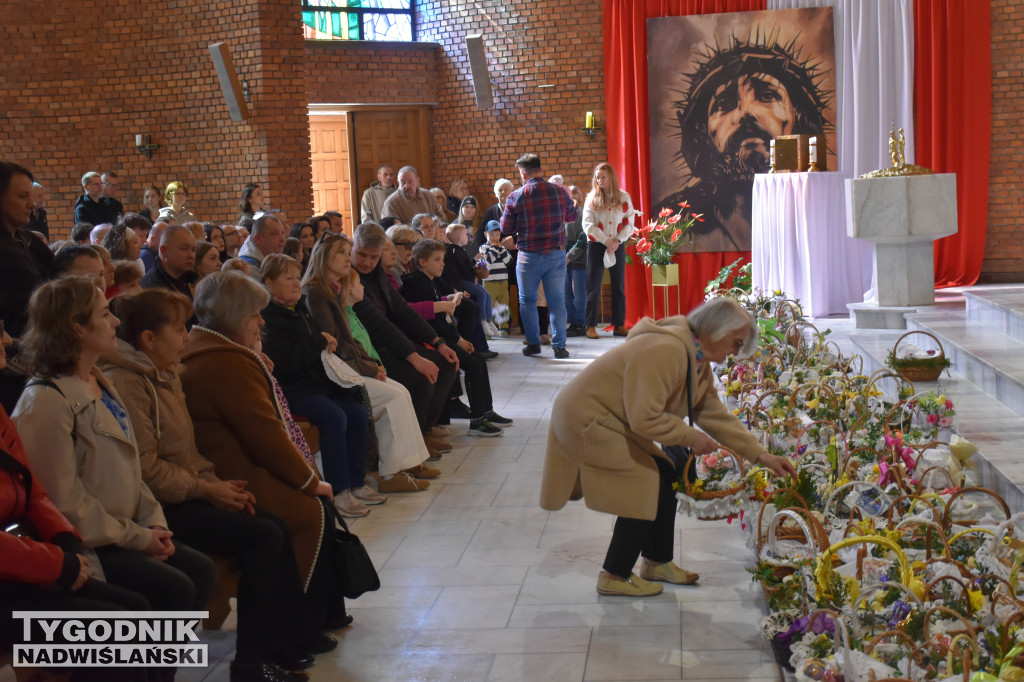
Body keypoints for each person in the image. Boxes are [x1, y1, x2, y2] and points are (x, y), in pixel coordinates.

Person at [102, 289, 326, 681]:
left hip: (186, 490)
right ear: (149, 339)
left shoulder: (165, 374)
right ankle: (252, 663)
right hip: (157, 505)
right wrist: (206, 490)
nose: (188, 337)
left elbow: (188, 453)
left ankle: (281, 641)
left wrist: (215, 483)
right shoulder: (130, 382)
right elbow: (147, 470)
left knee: (271, 523)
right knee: (262, 536)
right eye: (179, 329)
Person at [540, 297, 798, 596]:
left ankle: (656, 562)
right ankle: (613, 575)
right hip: (587, 417)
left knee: (665, 472)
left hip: (610, 417)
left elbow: (713, 413)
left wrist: (761, 455)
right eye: (736, 342)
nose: (735, 353)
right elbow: (644, 417)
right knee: (644, 481)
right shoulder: (668, 350)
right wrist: (690, 436)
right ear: (716, 330)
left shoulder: (695, 356)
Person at [12, 275, 215, 627]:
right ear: (77, 328)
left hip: (125, 528)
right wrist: (139, 538)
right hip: (89, 542)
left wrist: (154, 523)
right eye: (105, 314)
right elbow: (65, 505)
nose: (116, 322)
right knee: (173, 589)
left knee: (199, 571)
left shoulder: (100, 380)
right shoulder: (46, 402)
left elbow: (132, 465)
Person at [181, 271, 352, 641]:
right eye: (255, 315)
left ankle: (322, 614)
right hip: (235, 470)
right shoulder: (225, 361)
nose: (262, 321)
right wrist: (309, 481)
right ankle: (299, 626)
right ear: (233, 317)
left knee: (317, 505)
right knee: (309, 511)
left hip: (238, 461)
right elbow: (265, 436)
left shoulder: (218, 349)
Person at [0, 327, 156, 682]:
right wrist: (56, 565)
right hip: (13, 574)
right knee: (118, 634)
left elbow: (33, 489)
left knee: (137, 612)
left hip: (20, 565)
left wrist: (66, 541)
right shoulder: (46, 398)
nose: (8, 339)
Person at [654, 37, 830, 251]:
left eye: (767, 95)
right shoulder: (675, 217)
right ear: (703, 132)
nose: (747, 113)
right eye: (725, 104)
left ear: (797, 115)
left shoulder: (826, 203)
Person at [301, 237, 436, 490]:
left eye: (345, 251)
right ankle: (390, 474)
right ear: (323, 257)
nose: (346, 257)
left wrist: (371, 363)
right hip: (333, 375)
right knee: (392, 398)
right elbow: (335, 346)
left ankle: (409, 462)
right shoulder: (316, 292)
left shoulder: (330, 289)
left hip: (350, 367)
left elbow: (350, 339)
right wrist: (370, 368)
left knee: (401, 391)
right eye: (340, 252)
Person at [258, 254, 377, 518]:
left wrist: (324, 341)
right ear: (268, 282)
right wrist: (319, 341)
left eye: (295, 277)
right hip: (292, 390)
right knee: (334, 417)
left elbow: (313, 344)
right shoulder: (268, 317)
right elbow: (285, 360)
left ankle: (357, 483)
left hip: (314, 382)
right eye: (287, 278)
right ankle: (339, 492)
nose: (295, 283)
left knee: (356, 411)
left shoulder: (298, 308)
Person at [350, 223, 459, 458]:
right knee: (421, 378)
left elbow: (401, 310)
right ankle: (413, 444)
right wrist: (414, 356)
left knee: (447, 363)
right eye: (362, 255)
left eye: (373, 257)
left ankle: (423, 433)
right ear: (353, 246)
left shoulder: (376, 272)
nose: (367, 262)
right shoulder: (351, 277)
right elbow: (378, 324)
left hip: (390, 343)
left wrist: (438, 342)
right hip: (371, 352)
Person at [400, 239, 512, 437]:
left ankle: (486, 411)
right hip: (429, 339)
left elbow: (449, 300)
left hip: (441, 335)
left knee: (478, 360)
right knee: (474, 364)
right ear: (422, 262)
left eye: (442, 259)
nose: (442, 264)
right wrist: (458, 339)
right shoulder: (415, 282)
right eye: (437, 260)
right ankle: (478, 421)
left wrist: (455, 297)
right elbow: (433, 323)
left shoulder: (433, 279)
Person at [499, 153, 577, 358]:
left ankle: (533, 343)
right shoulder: (560, 192)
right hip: (556, 254)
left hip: (528, 256)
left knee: (527, 300)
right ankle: (559, 347)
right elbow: (571, 216)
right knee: (557, 302)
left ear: (523, 173)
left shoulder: (516, 196)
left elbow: (505, 227)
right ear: (540, 170)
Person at [583, 163, 635, 339]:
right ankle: (590, 326)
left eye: (603, 176)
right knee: (593, 287)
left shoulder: (623, 197)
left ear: (611, 177)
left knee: (618, 286)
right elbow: (588, 225)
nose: (600, 180)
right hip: (597, 245)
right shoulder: (591, 198)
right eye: (597, 177)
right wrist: (606, 241)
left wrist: (617, 241)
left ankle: (619, 324)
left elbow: (629, 223)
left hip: (617, 244)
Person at [141, 224, 197, 302]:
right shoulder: (152, 291)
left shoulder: (186, 280)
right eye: (184, 249)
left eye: (193, 250)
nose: (191, 255)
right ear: (164, 251)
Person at [480, 221, 512, 335]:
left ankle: (503, 327)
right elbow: (488, 261)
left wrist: (502, 249)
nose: (494, 237)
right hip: (489, 281)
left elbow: (509, 261)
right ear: (485, 234)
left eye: (497, 234)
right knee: (489, 304)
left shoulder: (502, 248)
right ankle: (489, 328)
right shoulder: (483, 248)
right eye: (491, 234)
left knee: (503, 304)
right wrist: (494, 248)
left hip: (503, 280)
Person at [564, 185, 588, 337]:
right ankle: (572, 322)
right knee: (567, 295)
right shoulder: (561, 216)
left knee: (579, 294)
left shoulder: (583, 214)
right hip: (563, 261)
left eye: (573, 196)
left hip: (579, 260)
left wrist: (569, 256)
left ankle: (580, 323)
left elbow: (583, 238)